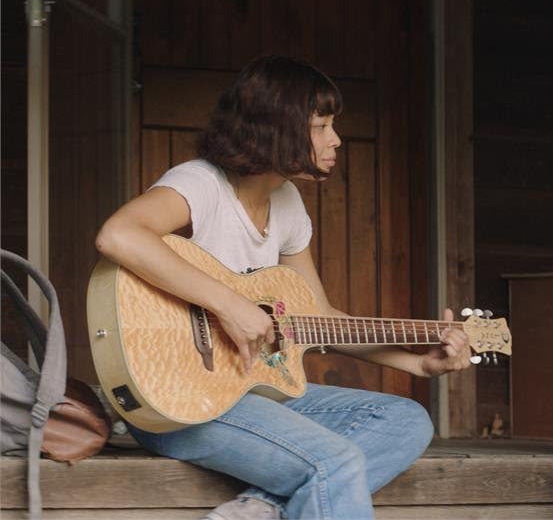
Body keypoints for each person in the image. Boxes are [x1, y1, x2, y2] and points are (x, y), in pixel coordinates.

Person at [95, 55, 472, 520]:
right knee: (336, 462)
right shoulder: (201, 184)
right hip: (179, 403)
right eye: (321, 125)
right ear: (275, 126)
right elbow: (119, 234)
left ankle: (263, 507)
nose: (335, 139)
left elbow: (319, 320)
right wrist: (229, 304)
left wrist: (415, 360)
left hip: (256, 394)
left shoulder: (288, 203)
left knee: (406, 420)